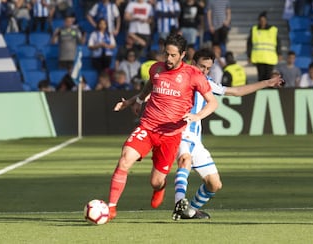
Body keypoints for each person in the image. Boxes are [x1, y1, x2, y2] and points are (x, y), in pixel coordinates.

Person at [108, 34, 218, 221]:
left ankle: (159, 187)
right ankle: (110, 208)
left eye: (173, 55)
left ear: (182, 54)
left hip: (171, 136)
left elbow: (212, 103)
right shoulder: (156, 68)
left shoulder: (193, 76)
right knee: (125, 159)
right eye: (166, 54)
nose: (168, 59)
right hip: (148, 127)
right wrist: (137, 101)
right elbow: (149, 86)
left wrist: (197, 116)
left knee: (156, 181)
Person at [172, 48, 285, 220]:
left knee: (214, 184)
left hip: (196, 139)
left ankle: (189, 211)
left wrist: (266, 83)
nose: (204, 71)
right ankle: (179, 202)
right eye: (202, 66)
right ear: (193, 63)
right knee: (185, 159)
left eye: (208, 68)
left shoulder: (206, 82)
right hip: (179, 132)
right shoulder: (179, 78)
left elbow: (236, 92)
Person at [247, 11, 282, 81]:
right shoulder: (254, 30)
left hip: (270, 58)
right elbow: (249, 44)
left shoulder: (273, 30)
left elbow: (278, 43)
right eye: (261, 20)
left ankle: (268, 91)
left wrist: (279, 53)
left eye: (264, 20)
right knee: (261, 77)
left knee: (269, 77)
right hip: (259, 58)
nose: (262, 22)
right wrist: (249, 55)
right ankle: (261, 91)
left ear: (266, 21)